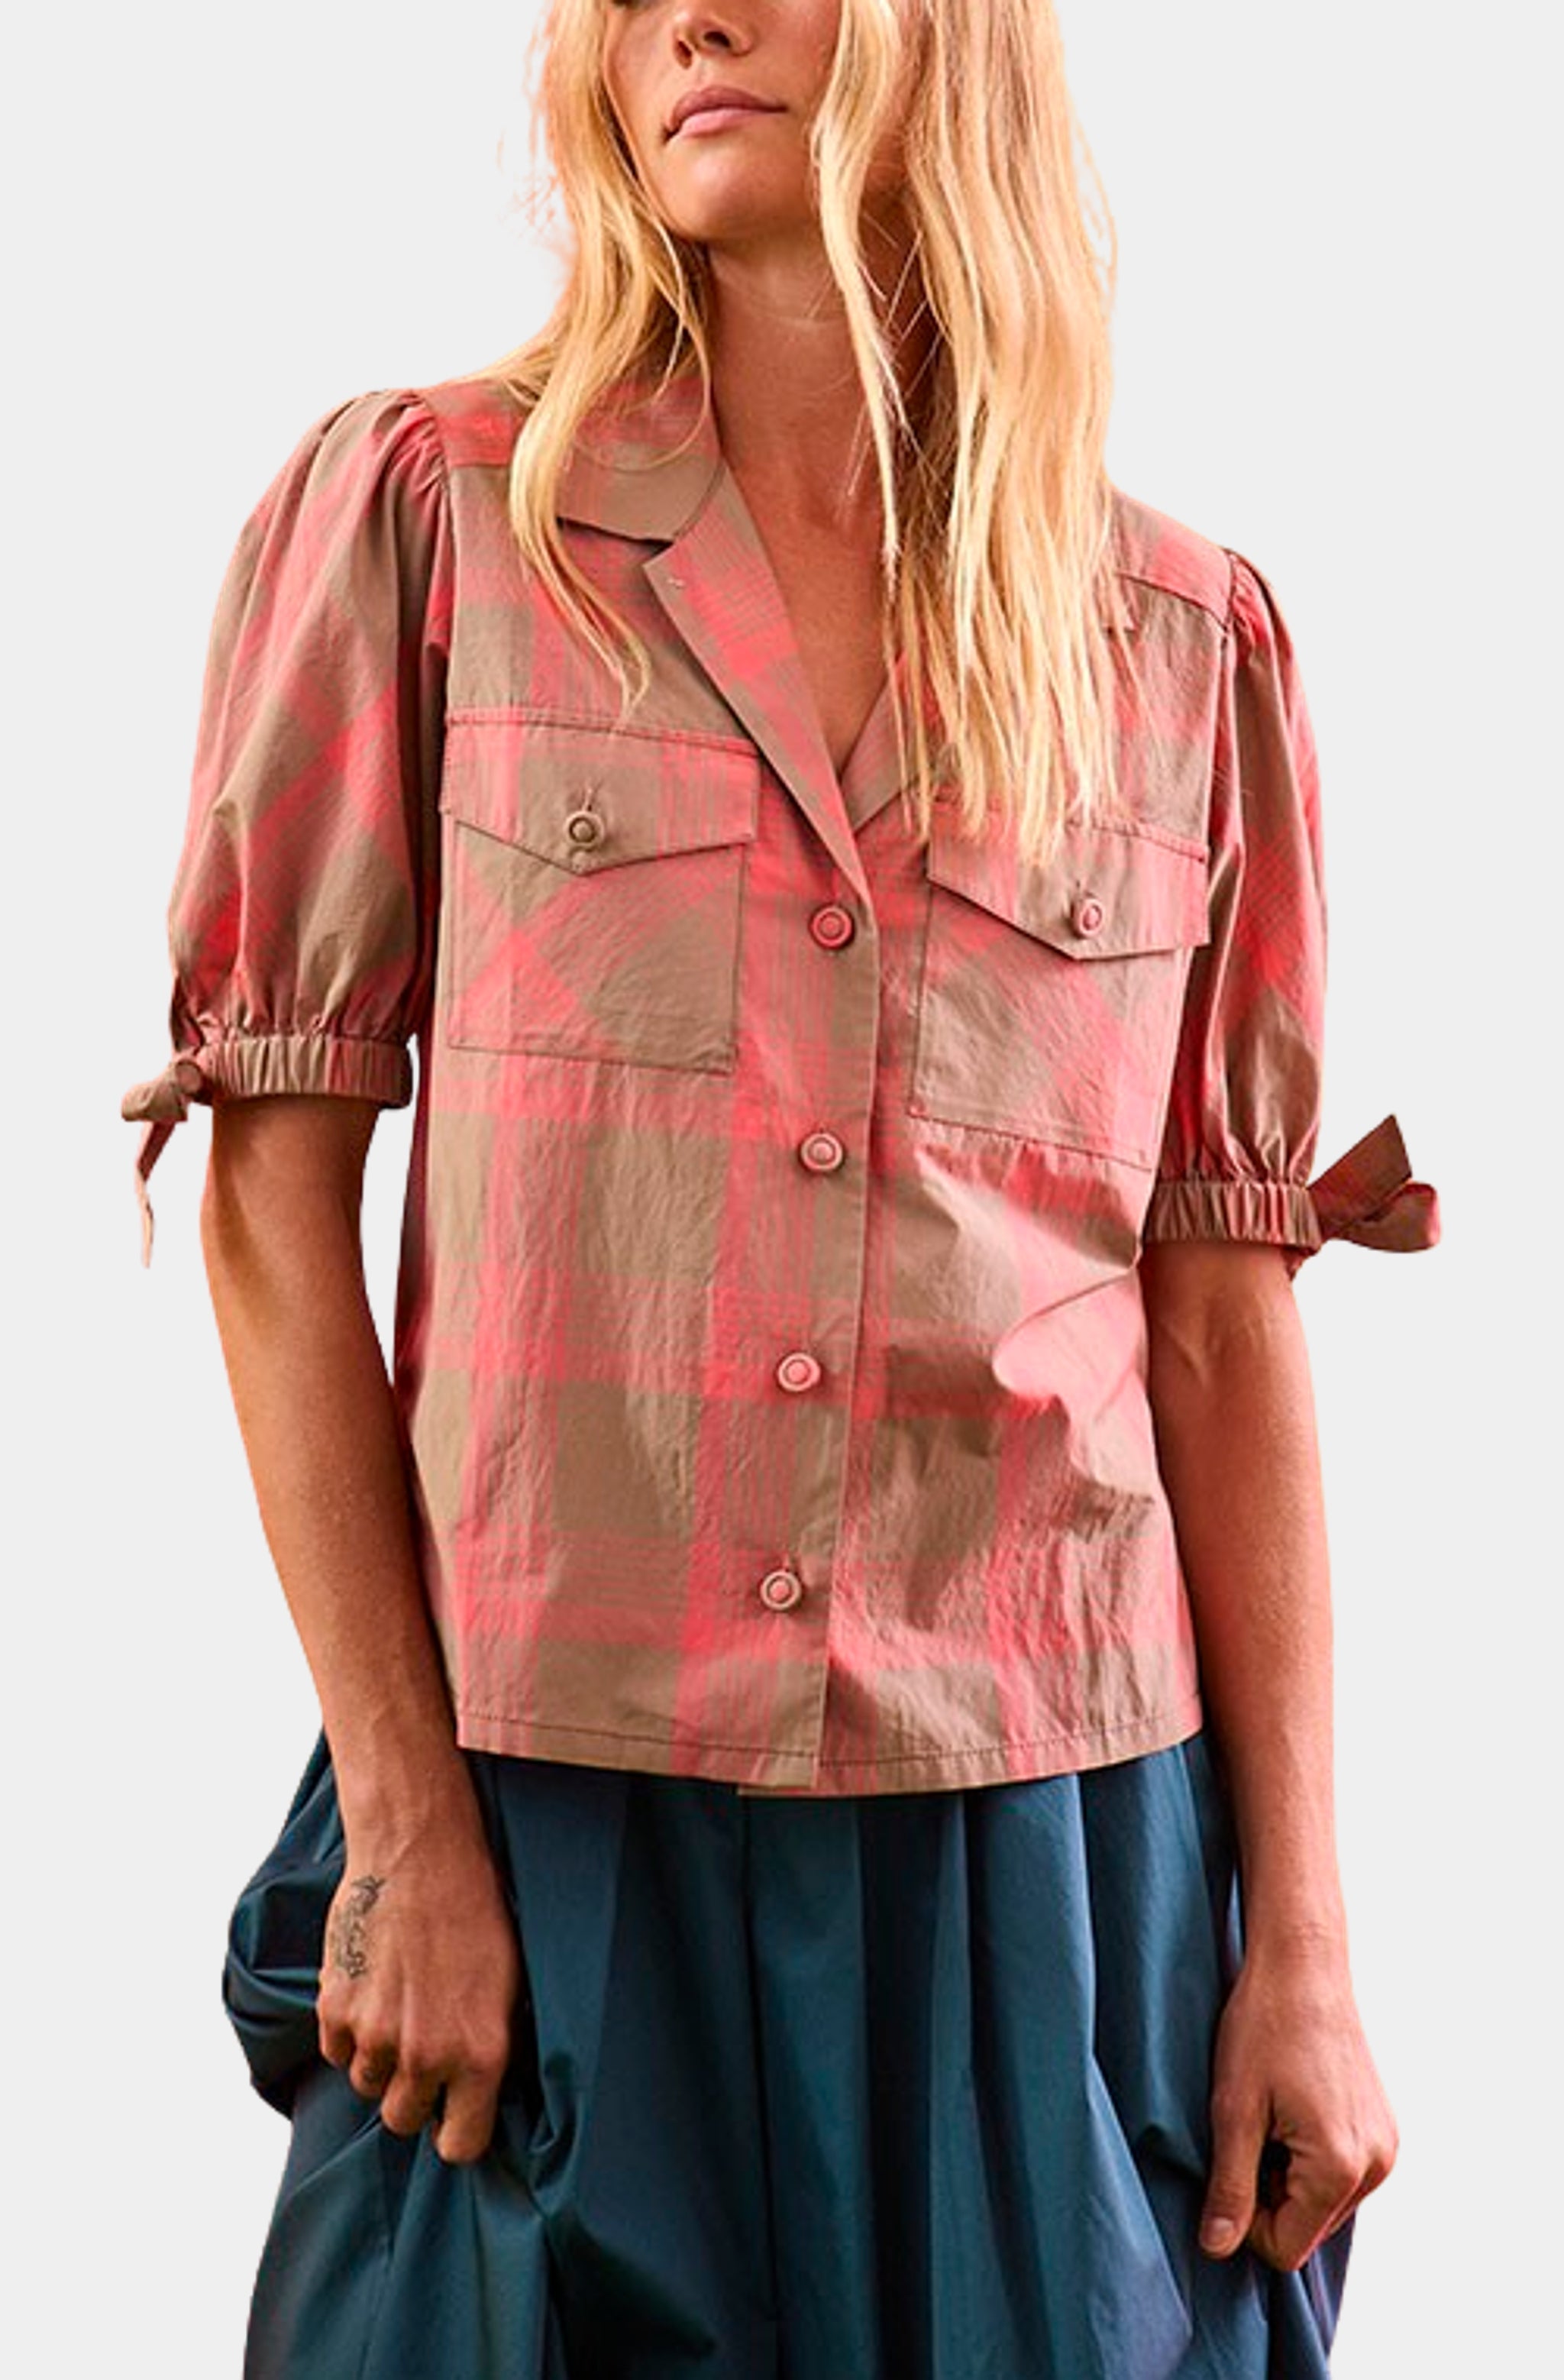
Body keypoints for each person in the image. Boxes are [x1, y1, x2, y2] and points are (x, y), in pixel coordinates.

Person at [122, 2, 1440, 2373]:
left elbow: (1223, 1320)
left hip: (1049, 1855)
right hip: (545, 1804)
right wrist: (406, 1822)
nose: (687, 21)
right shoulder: (432, 523)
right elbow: (270, 1202)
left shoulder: (1183, 644)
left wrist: (1309, 1942)